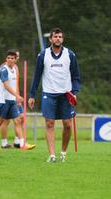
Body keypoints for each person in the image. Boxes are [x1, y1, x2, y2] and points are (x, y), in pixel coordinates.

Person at [28, 27, 81, 162]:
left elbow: (76, 76)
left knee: (68, 124)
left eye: (60, 37)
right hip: (49, 94)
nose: (58, 39)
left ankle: (63, 152)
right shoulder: (42, 55)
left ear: (62, 39)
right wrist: (32, 95)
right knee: (49, 123)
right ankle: (52, 155)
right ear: (51, 39)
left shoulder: (70, 54)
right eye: (55, 37)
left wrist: (74, 93)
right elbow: (37, 76)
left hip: (66, 94)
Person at [0, 50, 28, 150]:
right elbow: (6, 85)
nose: (10, 59)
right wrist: (17, 96)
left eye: (12, 58)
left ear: (15, 60)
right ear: (6, 59)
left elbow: (14, 85)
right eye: (8, 58)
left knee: (17, 121)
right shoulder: (4, 70)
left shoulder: (14, 69)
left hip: (12, 101)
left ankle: (22, 144)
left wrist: (15, 97)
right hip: (3, 100)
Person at [0, 50, 35, 149]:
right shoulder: (4, 67)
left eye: (17, 57)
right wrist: (15, 96)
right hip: (7, 98)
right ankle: (3, 143)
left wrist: (18, 96)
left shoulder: (16, 68)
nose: (16, 58)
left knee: (21, 119)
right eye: (14, 56)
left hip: (15, 98)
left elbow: (16, 85)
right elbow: (5, 84)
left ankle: (18, 142)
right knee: (5, 121)